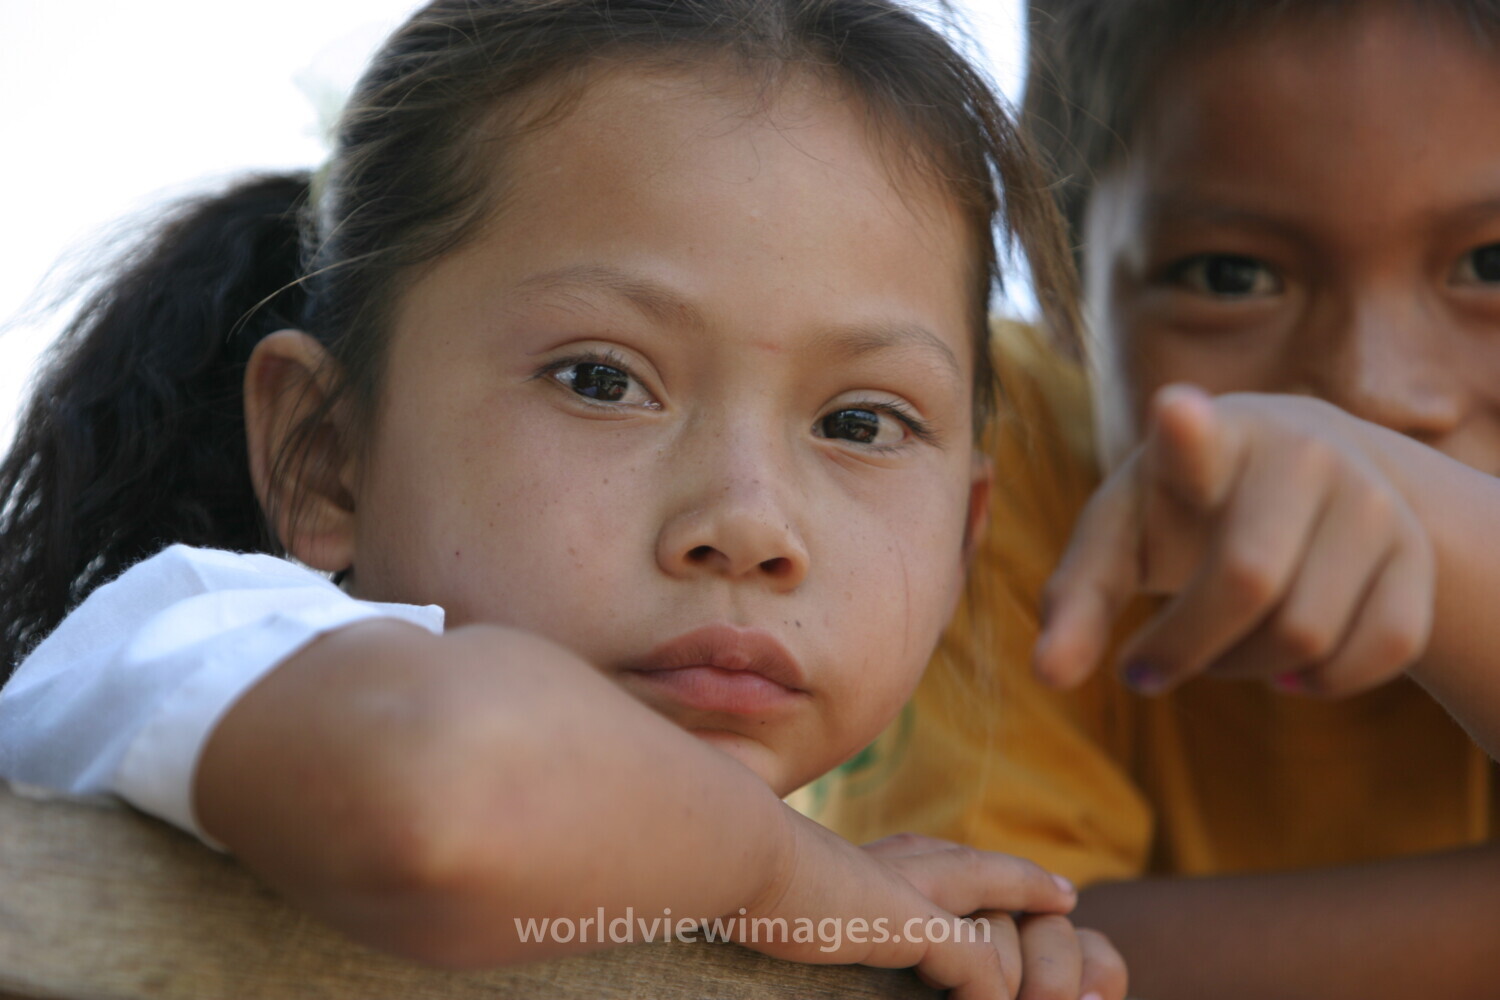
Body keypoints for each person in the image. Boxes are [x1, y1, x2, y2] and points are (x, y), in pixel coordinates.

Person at [0, 2, 1130, 998]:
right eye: (603, 380)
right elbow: (447, 785)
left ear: (965, 537)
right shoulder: (198, 642)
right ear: (325, 454)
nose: (746, 522)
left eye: (860, 423)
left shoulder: (750, 902)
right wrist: (785, 871)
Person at [805, 1, 1500, 997]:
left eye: (1491, 263)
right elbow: (977, 953)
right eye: (1231, 275)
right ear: (1061, 287)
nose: (1375, 392)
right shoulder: (972, 454)